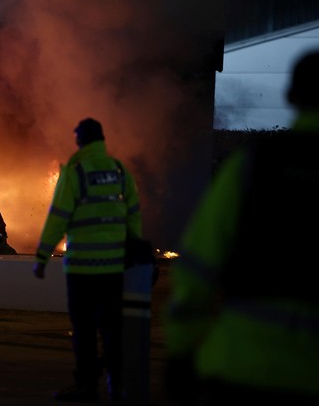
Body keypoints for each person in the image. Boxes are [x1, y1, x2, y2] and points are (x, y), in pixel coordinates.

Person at [163, 50, 319, 405]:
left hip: (243, 369)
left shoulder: (254, 167)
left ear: (292, 96)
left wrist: (181, 353)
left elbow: (197, 268)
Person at [33, 118, 142, 403]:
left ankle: (86, 386)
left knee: (83, 328)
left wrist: (42, 256)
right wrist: (134, 249)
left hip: (82, 267)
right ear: (101, 140)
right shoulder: (119, 171)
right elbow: (133, 213)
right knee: (111, 327)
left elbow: (58, 217)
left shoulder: (75, 172)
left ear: (80, 141)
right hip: (114, 266)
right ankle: (116, 386)